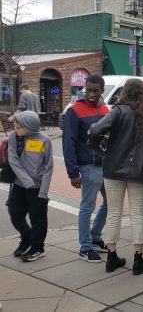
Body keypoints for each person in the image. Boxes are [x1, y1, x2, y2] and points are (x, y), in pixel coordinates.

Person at [89, 78, 143, 275]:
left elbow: (95, 130)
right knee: (138, 213)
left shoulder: (118, 111)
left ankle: (112, 257)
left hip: (113, 167)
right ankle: (138, 260)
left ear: (125, 92)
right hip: (141, 170)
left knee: (114, 213)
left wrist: (103, 149)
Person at [62, 74, 110, 262]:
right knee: (87, 207)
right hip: (89, 166)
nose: (90, 93)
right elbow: (68, 142)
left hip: (106, 165)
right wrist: (72, 173)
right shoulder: (75, 110)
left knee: (111, 203)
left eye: (95, 90)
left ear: (101, 91)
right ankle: (85, 247)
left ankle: (95, 237)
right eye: (88, 89)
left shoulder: (105, 108)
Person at [7, 111, 53, 262]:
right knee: (15, 213)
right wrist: (27, 181)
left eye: (18, 126)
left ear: (29, 126)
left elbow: (48, 167)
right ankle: (26, 237)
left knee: (38, 218)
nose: (15, 128)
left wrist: (43, 191)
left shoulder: (45, 140)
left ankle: (37, 248)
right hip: (20, 184)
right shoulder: (15, 137)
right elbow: (13, 159)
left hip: (38, 187)